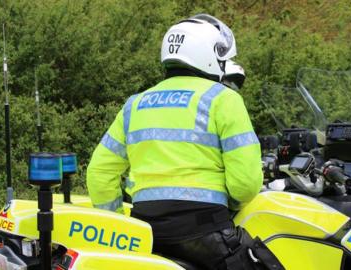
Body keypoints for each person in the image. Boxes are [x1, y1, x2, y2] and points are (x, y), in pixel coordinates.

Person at [87, 14, 266, 269]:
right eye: (221, 56)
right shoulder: (223, 99)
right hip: (204, 231)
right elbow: (245, 184)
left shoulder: (134, 105)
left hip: (144, 232)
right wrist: (232, 205)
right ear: (207, 54)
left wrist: (120, 226)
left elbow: (99, 173)